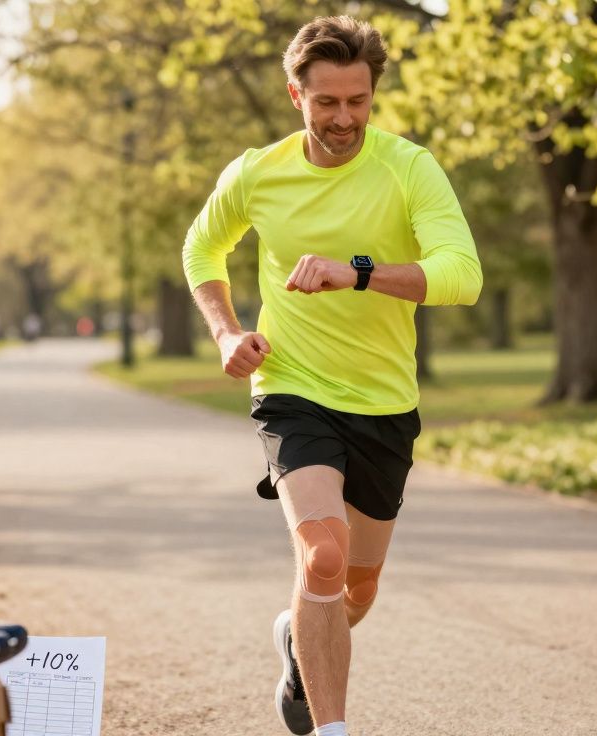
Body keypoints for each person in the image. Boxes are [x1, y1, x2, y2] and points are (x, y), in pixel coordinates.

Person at [181, 16, 483, 736]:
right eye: (327, 103)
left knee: (357, 585)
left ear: (373, 94)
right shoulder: (258, 172)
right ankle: (334, 729)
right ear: (296, 95)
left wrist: (359, 274)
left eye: (358, 101)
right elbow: (201, 251)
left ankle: (298, 635)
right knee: (323, 555)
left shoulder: (409, 167)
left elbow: (462, 276)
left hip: (383, 401)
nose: (343, 119)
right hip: (293, 390)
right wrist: (226, 333)